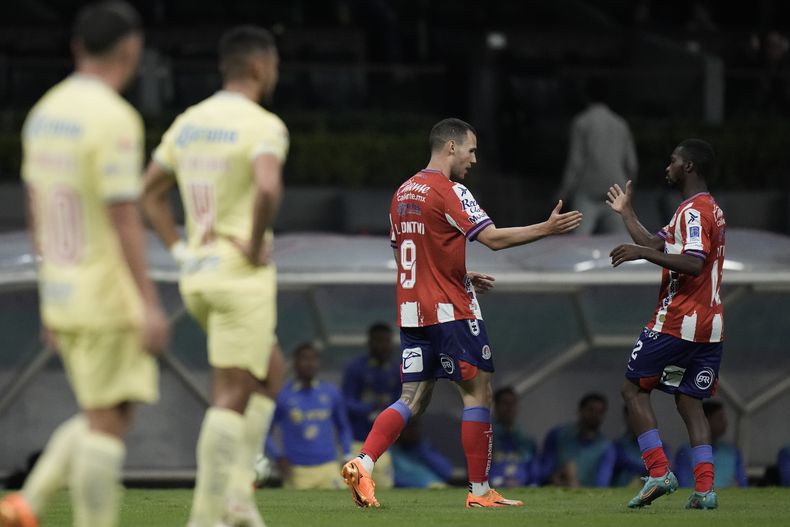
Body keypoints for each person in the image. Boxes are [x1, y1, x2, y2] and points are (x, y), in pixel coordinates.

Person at [340, 117, 583, 509]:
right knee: (478, 393)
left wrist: (458, 272)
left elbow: (407, 252)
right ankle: (480, 491)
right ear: (451, 147)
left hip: (412, 312)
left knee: (412, 398)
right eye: (471, 150)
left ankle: (363, 463)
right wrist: (547, 228)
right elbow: (493, 239)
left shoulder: (402, 193)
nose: (474, 159)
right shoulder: (451, 190)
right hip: (452, 312)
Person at [0, 3, 169, 526]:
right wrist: (149, 302)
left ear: (77, 47)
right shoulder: (114, 118)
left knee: (108, 412)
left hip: (63, 289)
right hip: (104, 292)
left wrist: (49, 295)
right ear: (131, 49)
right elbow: (123, 217)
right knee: (108, 422)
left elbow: (35, 209)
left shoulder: (44, 112)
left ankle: (26, 504)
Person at [140, 25, 287, 527]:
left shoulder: (189, 122)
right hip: (240, 274)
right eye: (274, 65)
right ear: (259, 66)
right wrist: (255, 238)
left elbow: (148, 192)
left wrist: (180, 249)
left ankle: (238, 498)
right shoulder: (263, 125)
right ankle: (206, 516)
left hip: (199, 272)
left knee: (271, 371)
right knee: (232, 392)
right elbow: (267, 187)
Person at [606, 138, 726, 510]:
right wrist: (627, 213)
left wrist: (640, 253)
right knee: (690, 401)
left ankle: (658, 472)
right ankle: (704, 490)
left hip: (677, 321)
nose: (667, 166)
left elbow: (693, 263)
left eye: (673, 160)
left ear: (688, 166)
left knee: (632, 390)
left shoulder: (693, 212)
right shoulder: (706, 209)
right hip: (710, 327)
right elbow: (652, 243)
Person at [266, 343, 353, 489]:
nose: (309, 364)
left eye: (313, 359)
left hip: (329, 468)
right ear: (295, 363)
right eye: (304, 359)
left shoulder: (331, 393)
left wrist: (347, 454)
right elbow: (265, 431)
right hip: (297, 471)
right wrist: (278, 457)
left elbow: (343, 427)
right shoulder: (283, 396)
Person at [558, 80, 638, 235]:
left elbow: (575, 162)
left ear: (586, 96)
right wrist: (629, 189)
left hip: (588, 190)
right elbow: (632, 164)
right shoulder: (620, 123)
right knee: (620, 241)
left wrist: (563, 193)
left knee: (578, 241)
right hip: (616, 190)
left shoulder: (582, 122)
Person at [341, 322, 401, 489]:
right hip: (357, 440)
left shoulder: (397, 369)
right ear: (369, 343)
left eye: (386, 341)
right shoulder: (356, 368)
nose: (383, 346)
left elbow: (402, 402)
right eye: (379, 341)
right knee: (354, 488)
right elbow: (346, 402)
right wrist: (370, 407)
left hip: (384, 444)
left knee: (384, 488)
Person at [539, 393, 616, 488]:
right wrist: (554, 478)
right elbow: (544, 469)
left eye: (600, 412)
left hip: (586, 493)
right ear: (580, 411)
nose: (595, 416)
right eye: (591, 410)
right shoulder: (558, 434)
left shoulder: (606, 447)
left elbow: (601, 485)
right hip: (554, 489)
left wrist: (573, 482)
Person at [674, 401, 747, 488]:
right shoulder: (686, 451)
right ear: (705, 420)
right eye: (719, 418)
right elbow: (682, 484)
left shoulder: (732, 451)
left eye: (724, 419)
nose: (725, 423)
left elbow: (743, 484)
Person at [489, 387, 539, 488]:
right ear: (495, 406)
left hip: (523, 489)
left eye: (512, 403)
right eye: (505, 403)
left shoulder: (526, 440)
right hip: (493, 489)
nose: (509, 408)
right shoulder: (486, 437)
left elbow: (534, 471)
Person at [611, 406, 672, 487]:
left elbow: (667, 476)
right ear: (626, 418)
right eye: (634, 417)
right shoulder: (617, 447)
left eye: (642, 417)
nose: (638, 421)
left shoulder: (663, 448)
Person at [391, 419, 454, 488]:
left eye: (414, 428)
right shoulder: (390, 453)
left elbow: (446, 472)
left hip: (437, 487)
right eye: (407, 429)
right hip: (412, 489)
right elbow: (391, 479)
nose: (411, 432)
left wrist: (422, 449)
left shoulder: (423, 448)